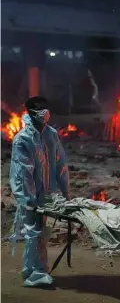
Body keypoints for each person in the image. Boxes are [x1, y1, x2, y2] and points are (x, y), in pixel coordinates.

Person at [9, 96, 70, 288]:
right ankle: (35, 273)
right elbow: (22, 173)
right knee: (33, 232)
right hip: (31, 195)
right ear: (30, 112)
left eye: (46, 108)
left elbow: (60, 164)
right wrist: (28, 200)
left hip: (49, 193)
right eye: (39, 109)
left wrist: (65, 191)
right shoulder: (23, 139)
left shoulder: (51, 134)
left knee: (43, 233)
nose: (44, 112)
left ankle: (34, 269)